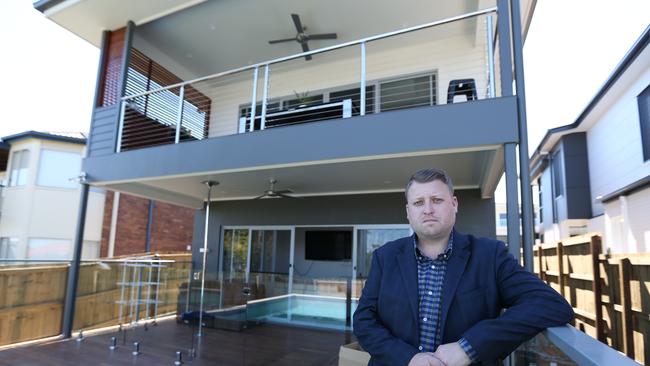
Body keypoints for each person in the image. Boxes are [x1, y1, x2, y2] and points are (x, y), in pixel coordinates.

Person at [353, 168, 574, 366]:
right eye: (418, 202)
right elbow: (364, 320)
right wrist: (408, 358)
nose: (427, 209)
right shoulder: (386, 256)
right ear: (408, 211)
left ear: (454, 204)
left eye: (437, 200)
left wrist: (469, 347)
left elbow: (552, 304)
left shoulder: (490, 256)